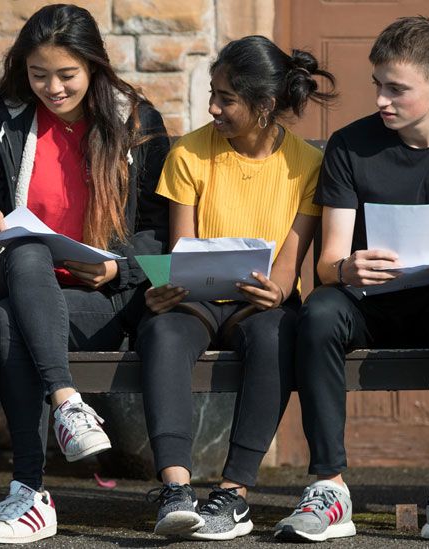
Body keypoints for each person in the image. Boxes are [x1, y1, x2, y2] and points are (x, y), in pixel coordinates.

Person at [275, 16, 429, 544]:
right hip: (368, 300)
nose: (382, 101)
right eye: (378, 86)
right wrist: (347, 268)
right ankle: (329, 488)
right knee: (319, 310)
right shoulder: (350, 145)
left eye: (397, 89)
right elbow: (329, 262)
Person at [0, 4, 169, 544]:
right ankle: (68, 403)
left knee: (4, 323)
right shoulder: (5, 115)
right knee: (26, 256)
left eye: (66, 75)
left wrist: (119, 268)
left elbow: (161, 231)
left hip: (103, 296)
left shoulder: (135, 120)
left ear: (94, 66)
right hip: (21, 276)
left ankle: (29, 490)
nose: (53, 88)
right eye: (38, 74)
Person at [136, 36, 336, 541]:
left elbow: (289, 268)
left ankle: (234, 493)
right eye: (213, 93)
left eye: (226, 97)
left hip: (259, 305)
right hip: (196, 300)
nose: (213, 107)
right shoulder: (187, 154)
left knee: (276, 334)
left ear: (265, 105)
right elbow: (181, 251)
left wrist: (276, 291)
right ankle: (176, 488)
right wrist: (164, 289)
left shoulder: (307, 166)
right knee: (161, 333)